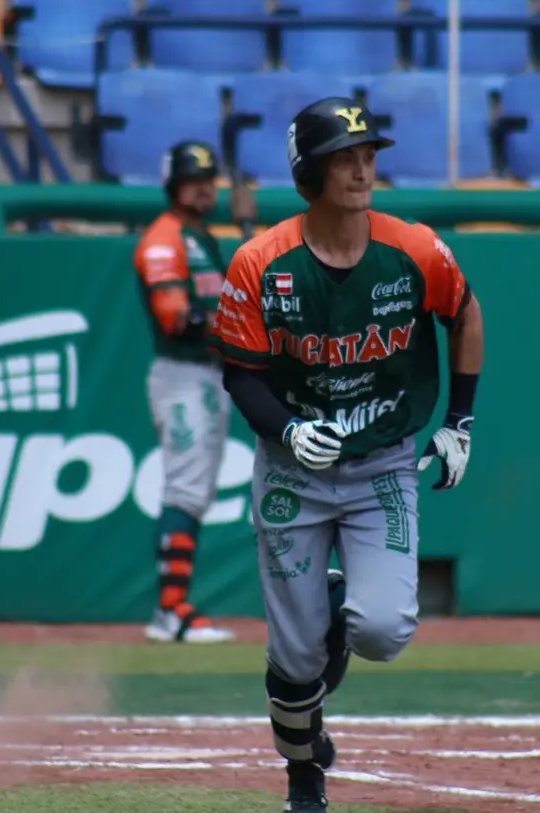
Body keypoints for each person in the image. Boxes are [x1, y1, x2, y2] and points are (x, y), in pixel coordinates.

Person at [209, 98, 484, 810]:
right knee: (296, 658)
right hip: (294, 469)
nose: (362, 169)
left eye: (367, 155)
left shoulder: (415, 247)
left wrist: (460, 420)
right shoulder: (260, 262)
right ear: (311, 171)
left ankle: (336, 606)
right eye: (343, 157)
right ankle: (305, 775)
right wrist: (287, 430)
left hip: (382, 460)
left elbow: (466, 313)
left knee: (384, 629)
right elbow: (241, 369)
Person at [134, 139, 257, 644]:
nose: (204, 189)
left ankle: (174, 608)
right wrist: (237, 324)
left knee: (197, 490)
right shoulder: (166, 237)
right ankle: (171, 611)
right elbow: (175, 315)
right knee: (186, 487)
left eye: (209, 180)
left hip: (208, 375)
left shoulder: (200, 235)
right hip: (182, 374)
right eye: (194, 180)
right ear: (174, 184)